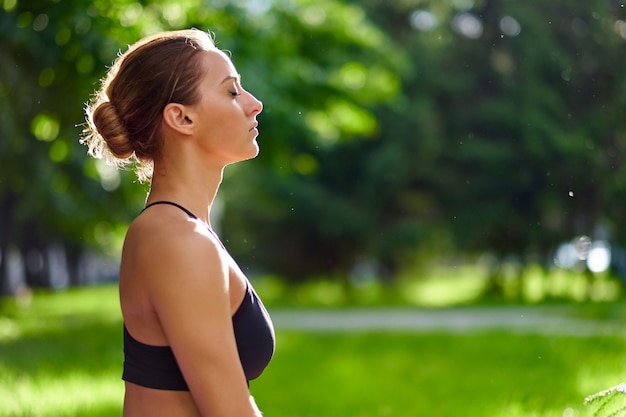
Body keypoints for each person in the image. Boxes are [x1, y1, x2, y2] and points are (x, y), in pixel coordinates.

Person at [81, 29, 275, 417]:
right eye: (232, 92)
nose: (255, 104)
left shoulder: (175, 230)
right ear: (181, 117)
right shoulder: (178, 239)